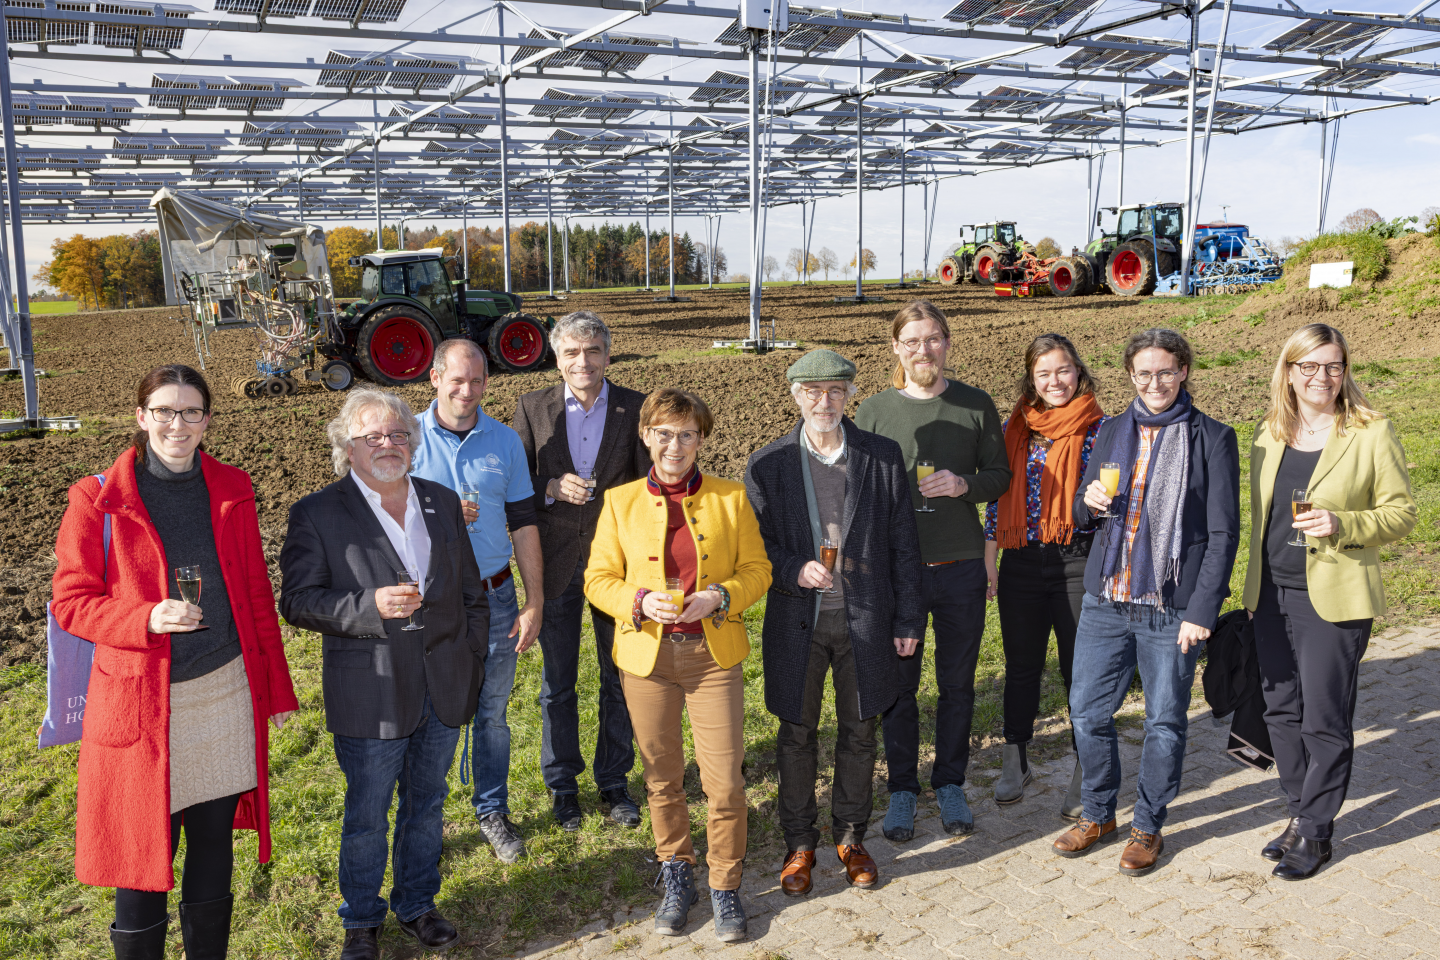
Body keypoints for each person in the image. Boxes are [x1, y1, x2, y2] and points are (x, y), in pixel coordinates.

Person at [51, 364, 299, 960]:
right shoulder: (97, 498)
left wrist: (278, 688)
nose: (178, 424)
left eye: (191, 412)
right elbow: (71, 602)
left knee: (213, 844)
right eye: (164, 411)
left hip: (223, 691)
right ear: (141, 417)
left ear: (207, 419)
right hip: (141, 703)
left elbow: (255, 595)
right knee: (140, 861)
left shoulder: (233, 486)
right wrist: (143, 620)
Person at [279, 388, 489, 960]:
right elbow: (297, 601)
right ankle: (362, 920)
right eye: (372, 437)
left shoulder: (440, 501)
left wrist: (470, 657)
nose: (387, 445)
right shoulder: (318, 512)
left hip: (443, 683)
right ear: (348, 447)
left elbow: (472, 592)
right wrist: (368, 606)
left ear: (413, 443)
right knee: (368, 813)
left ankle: (418, 904)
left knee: (427, 805)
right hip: (370, 691)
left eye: (397, 434)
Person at [585, 389, 771, 943]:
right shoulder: (619, 502)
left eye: (687, 434)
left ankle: (725, 884)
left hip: (711, 657)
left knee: (724, 782)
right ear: (646, 436)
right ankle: (676, 875)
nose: (674, 445)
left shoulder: (730, 499)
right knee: (662, 779)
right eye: (663, 433)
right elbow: (598, 579)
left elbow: (758, 570)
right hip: (647, 659)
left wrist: (719, 595)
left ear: (701, 440)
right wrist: (639, 602)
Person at [1053, 328, 1240, 878]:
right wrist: (1086, 503)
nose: (1154, 382)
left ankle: (1148, 825)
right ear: (1130, 376)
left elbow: (1223, 534)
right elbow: (1085, 515)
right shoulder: (1112, 430)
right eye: (1143, 373)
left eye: (1165, 371)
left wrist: (1202, 611)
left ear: (1183, 371)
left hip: (1170, 604)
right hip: (1107, 597)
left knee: (1164, 720)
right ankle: (1098, 814)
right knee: (1087, 712)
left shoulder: (1212, 437)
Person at [744, 350, 924, 896]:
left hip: (864, 618)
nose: (825, 402)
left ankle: (850, 837)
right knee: (796, 732)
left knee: (859, 728)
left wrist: (909, 616)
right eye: (813, 392)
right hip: (797, 621)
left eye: (835, 392)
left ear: (850, 395)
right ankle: (800, 843)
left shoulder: (881, 456)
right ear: (796, 396)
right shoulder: (767, 464)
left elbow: (904, 545)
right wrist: (793, 567)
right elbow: (756, 547)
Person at [1243, 323, 1416, 880]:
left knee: (1323, 717)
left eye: (1333, 366)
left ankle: (1318, 833)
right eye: (1309, 366)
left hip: (1333, 599)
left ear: (1345, 370)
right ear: (1288, 371)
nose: (1322, 377)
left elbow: (1402, 513)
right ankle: (1298, 813)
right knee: (1280, 712)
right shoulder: (1270, 433)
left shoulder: (1369, 431)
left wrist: (1343, 522)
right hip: (1270, 592)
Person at [853, 299, 1011, 839]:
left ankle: (949, 782)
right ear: (896, 347)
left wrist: (964, 485)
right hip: (900, 573)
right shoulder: (874, 411)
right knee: (900, 686)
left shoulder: (975, 405)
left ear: (947, 343)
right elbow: (860, 490)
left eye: (934, 338)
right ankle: (902, 788)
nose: (924, 349)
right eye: (913, 341)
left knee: (957, 685)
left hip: (961, 565)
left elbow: (1000, 476)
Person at [513, 311, 650, 834]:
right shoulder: (533, 406)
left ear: (608, 354)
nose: (583, 361)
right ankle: (563, 786)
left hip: (619, 565)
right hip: (556, 562)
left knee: (620, 677)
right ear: (557, 358)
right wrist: (549, 487)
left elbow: (649, 482)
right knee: (558, 682)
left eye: (592, 351)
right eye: (571, 352)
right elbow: (518, 477)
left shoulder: (634, 407)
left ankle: (615, 781)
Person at [409, 338, 543, 863]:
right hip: (430, 600)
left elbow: (525, 522)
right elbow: (378, 518)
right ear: (435, 379)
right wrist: (437, 517)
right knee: (431, 711)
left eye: (478, 381)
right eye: (457, 380)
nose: (467, 391)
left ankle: (492, 810)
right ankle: (426, 817)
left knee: (492, 713)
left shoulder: (505, 441)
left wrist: (533, 601)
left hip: (494, 597)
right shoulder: (404, 437)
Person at [983, 334, 1109, 816]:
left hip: (1077, 560)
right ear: (1031, 380)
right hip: (1020, 561)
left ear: (1078, 372)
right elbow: (998, 498)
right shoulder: (1014, 427)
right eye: (1044, 374)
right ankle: (1015, 756)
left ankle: (1085, 764)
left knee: (1080, 670)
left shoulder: (1102, 428)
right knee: (1021, 666)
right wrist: (989, 559)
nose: (1054, 381)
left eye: (1063, 370)